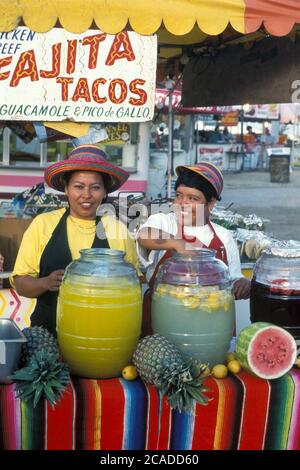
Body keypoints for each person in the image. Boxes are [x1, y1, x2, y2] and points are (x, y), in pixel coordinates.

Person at [11, 144, 140, 336]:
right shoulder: (43, 224)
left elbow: (134, 286)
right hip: (47, 337)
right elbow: (21, 283)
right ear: (66, 188)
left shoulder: (117, 230)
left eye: (95, 187)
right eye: (78, 186)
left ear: (105, 192)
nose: (86, 195)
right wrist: (45, 283)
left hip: (104, 337)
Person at [137, 162, 251, 334]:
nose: (182, 203)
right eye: (178, 195)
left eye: (193, 198)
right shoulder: (165, 222)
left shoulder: (223, 236)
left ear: (211, 204)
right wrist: (177, 243)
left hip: (209, 327)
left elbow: (233, 279)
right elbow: (144, 235)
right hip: (162, 324)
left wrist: (242, 284)